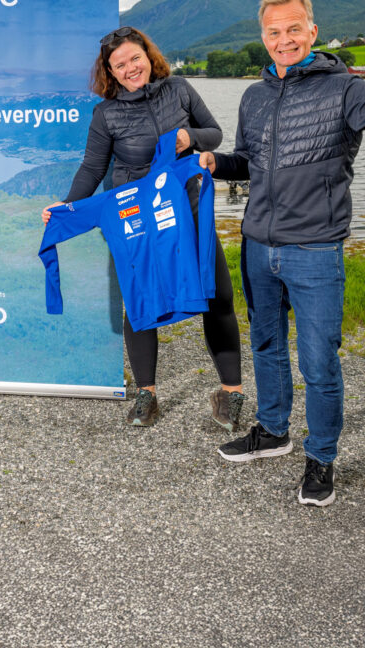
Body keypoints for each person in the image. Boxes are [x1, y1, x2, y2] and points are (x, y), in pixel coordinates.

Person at [199, 0, 365, 507]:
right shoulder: (254, 96)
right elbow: (250, 162)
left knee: (319, 363)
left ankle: (321, 458)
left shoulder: (346, 89)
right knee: (267, 348)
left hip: (315, 248)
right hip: (258, 244)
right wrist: (216, 162)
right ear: (264, 38)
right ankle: (273, 432)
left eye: (293, 29)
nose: (284, 40)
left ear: (312, 32)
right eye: (274, 32)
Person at [42, 26, 245, 431]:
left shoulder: (180, 89)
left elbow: (216, 134)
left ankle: (231, 392)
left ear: (148, 57)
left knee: (218, 296)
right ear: (110, 73)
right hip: (135, 221)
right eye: (120, 65)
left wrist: (189, 137)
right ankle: (146, 394)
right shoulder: (106, 113)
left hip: (187, 211)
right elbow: (92, 168)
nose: (130, 68)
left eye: (135, 58)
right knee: (138, 306)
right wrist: (68, 205)